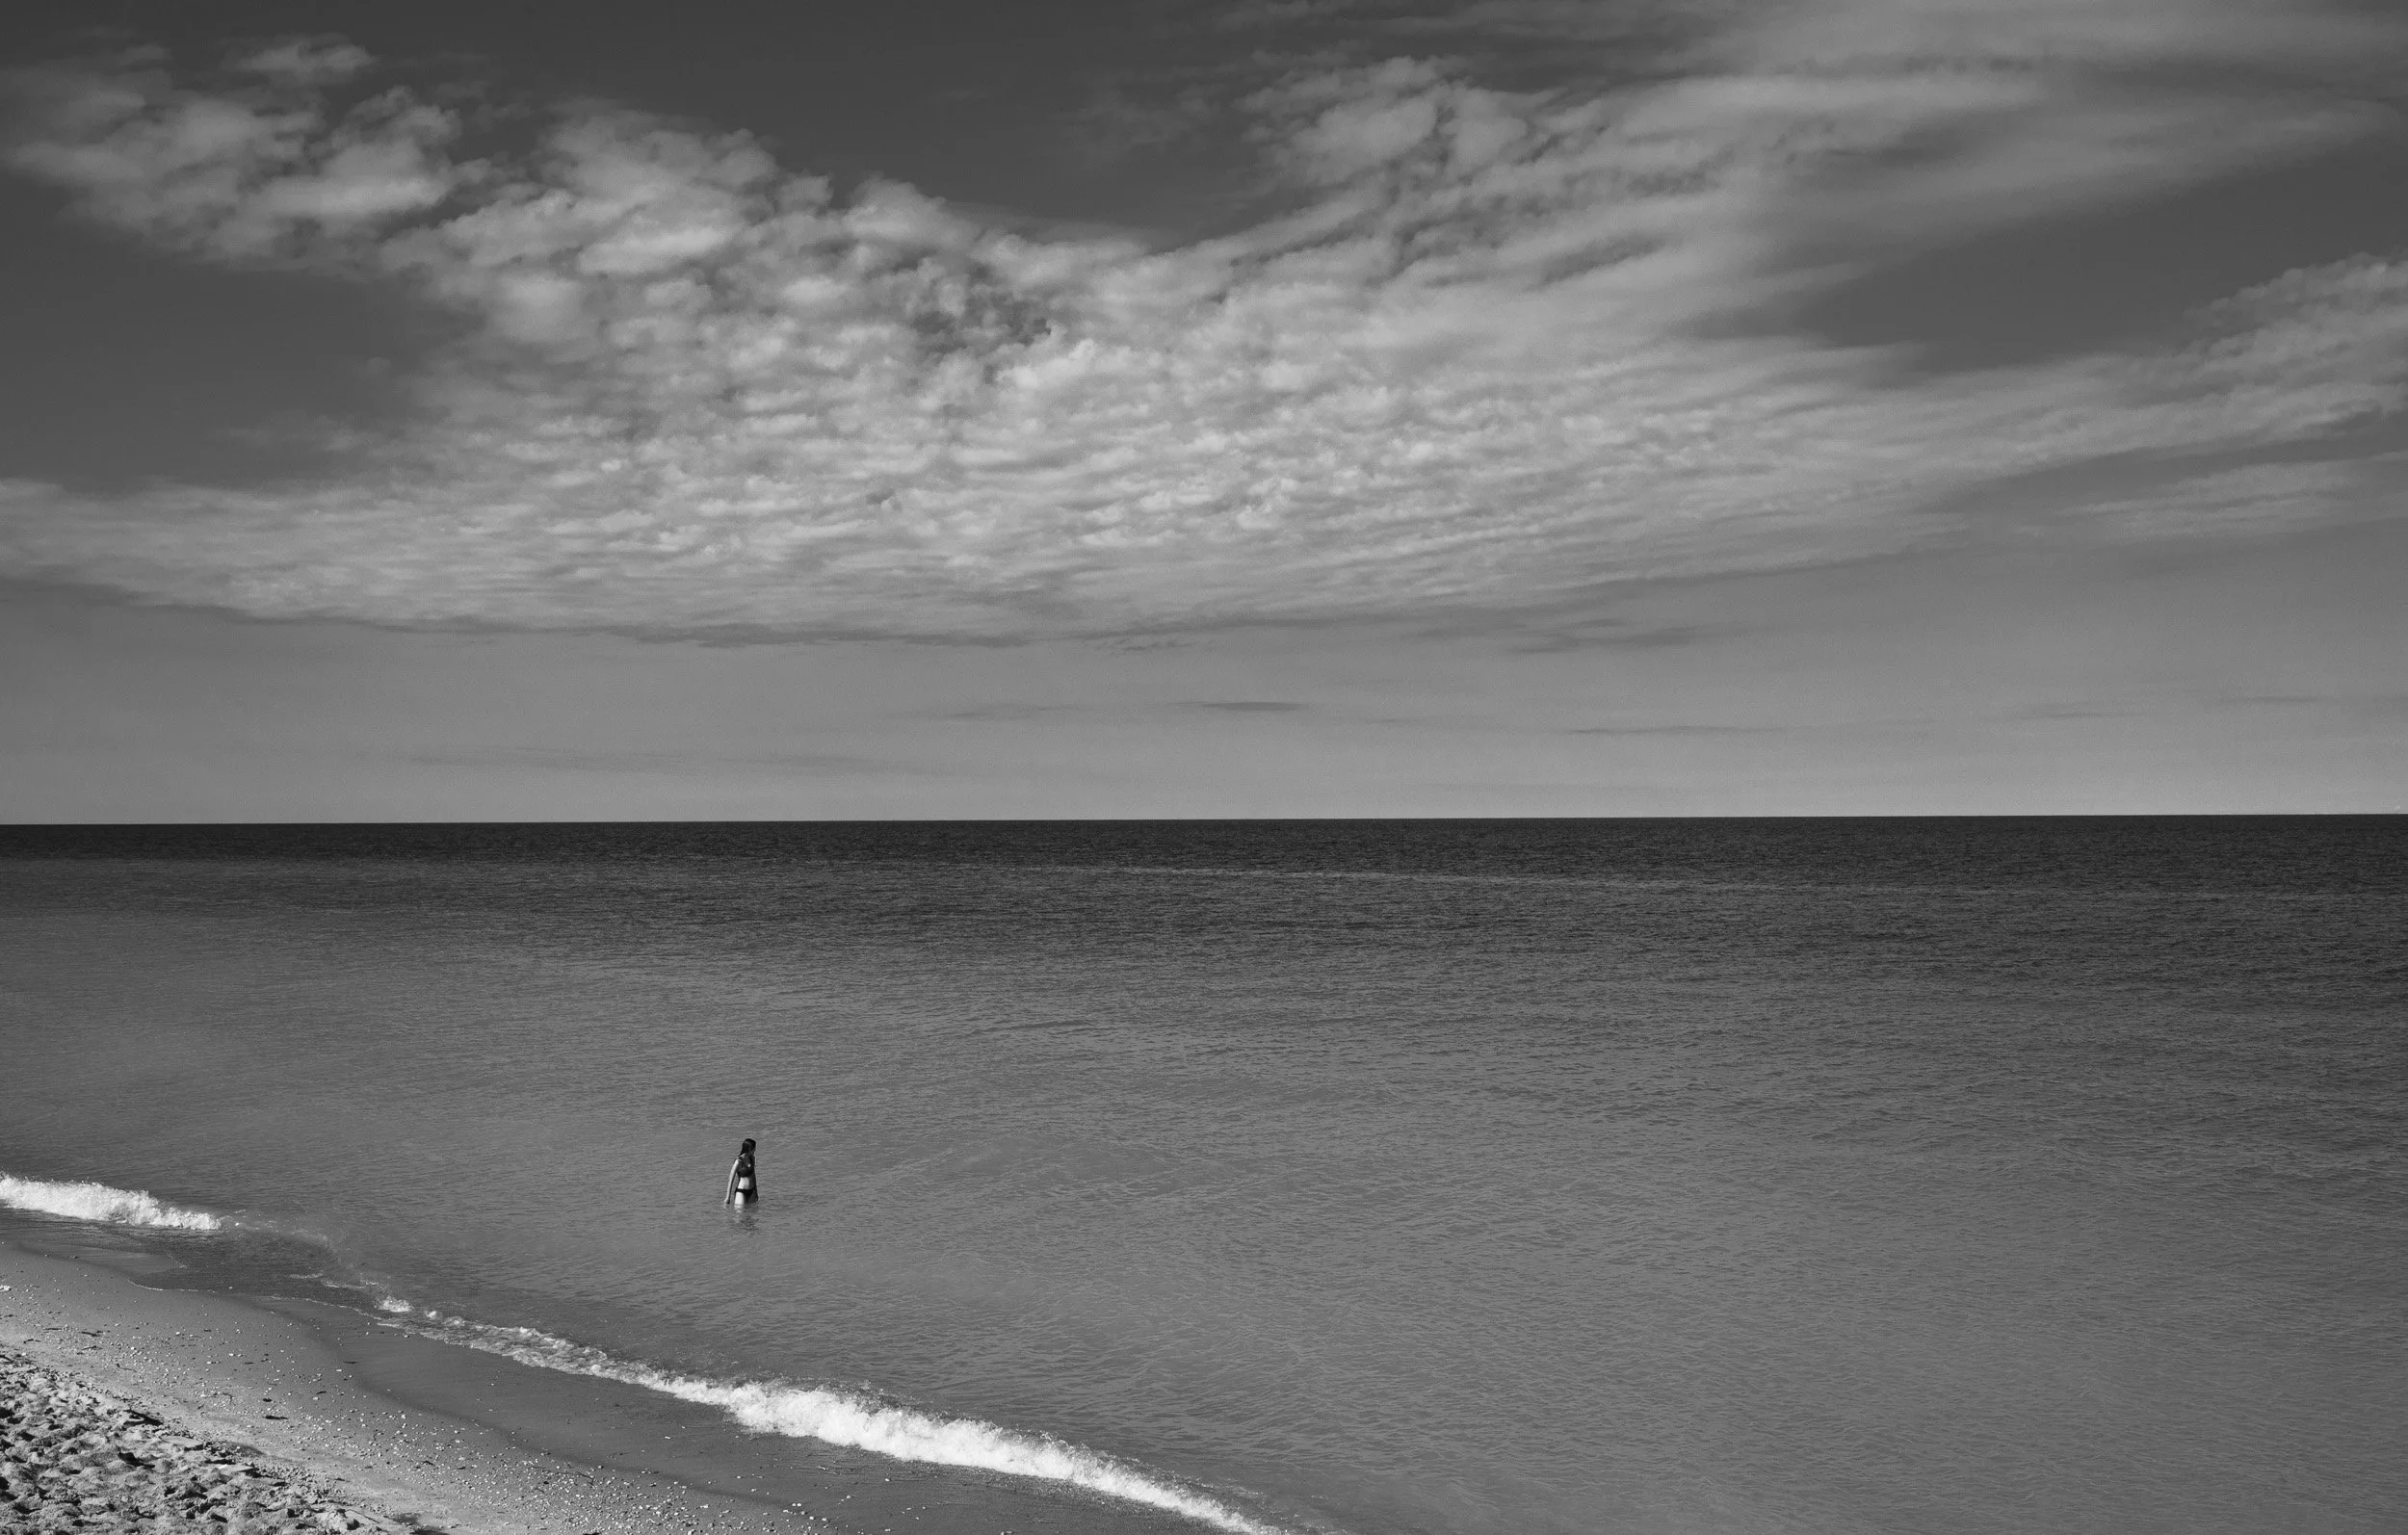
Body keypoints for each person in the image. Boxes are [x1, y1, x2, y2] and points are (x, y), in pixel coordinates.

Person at [723, 1137, 759, 1206]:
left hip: (752, 1191)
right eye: (754, 1148)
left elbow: (753, 1176)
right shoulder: (738, 1161)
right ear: (749, 1148)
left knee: (750, 1214)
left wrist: (756, 1191)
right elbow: (731, 1180)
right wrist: (728, 1197)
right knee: (739, 1213)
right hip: (741, 1191)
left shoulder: (752, 1158)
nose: (755, 1150)